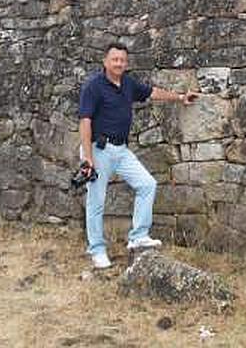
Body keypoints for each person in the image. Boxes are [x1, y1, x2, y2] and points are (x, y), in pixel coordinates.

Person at [78, 41, 198, 269]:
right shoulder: (93, 86)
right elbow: (85, 121)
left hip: (121, 150)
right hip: (98, 150)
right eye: (115, 59)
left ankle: (138, 236)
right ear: (105, 61)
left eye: (122, 60)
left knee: (147, 185)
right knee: (96, 202)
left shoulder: (128, 84)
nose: (119, 63)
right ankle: (97, 250)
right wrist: (88, 157)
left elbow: (153, 92)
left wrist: (181, 97)